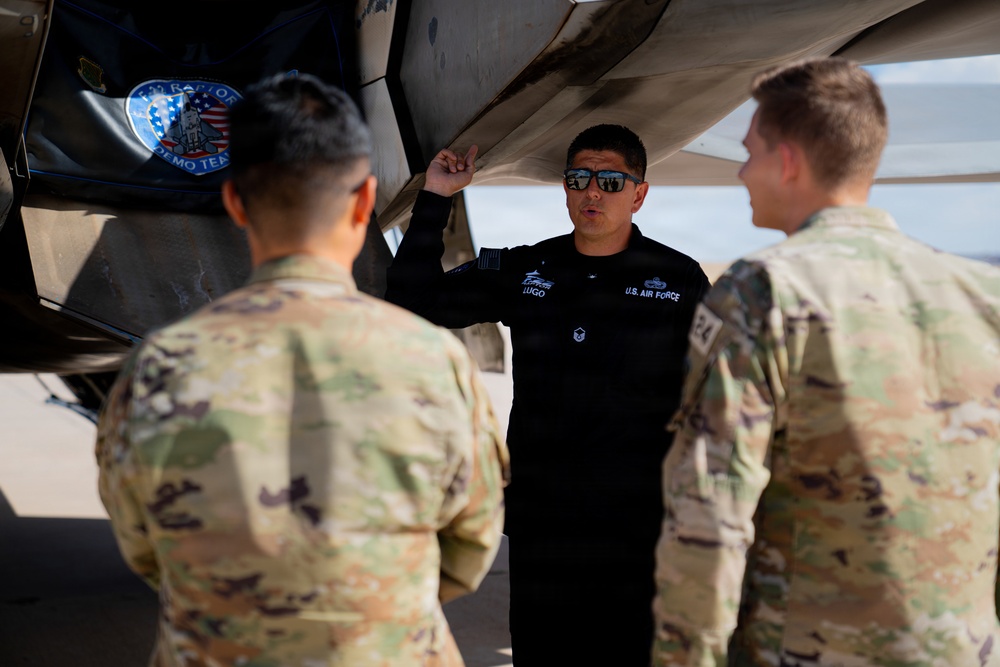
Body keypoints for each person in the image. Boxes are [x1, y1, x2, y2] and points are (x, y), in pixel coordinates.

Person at [96, 73, 509, 667]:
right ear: (365, 201)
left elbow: (144, 546)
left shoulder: (161, 366)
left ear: (234, 200)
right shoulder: (433, 360)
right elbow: (469, 547)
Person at [653, 57, 1000, 666]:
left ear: (787, 162)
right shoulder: (980, 292)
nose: (741, 171)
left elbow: (712, 505)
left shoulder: (764, 292)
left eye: (750, 151)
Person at [386, 125, 710, 665]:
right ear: (564, 187)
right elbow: (414, 300)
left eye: (610, 181)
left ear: (639, 193)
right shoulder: (528, 269)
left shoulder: (677, 279)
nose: (592, 192)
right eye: (578, 178)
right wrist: (437, 198)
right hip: (544, 519)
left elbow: (713, 401)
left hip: (635, 524)